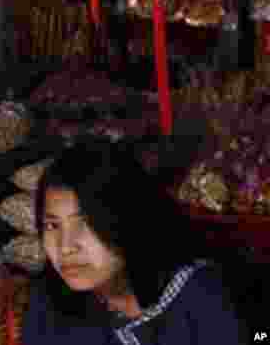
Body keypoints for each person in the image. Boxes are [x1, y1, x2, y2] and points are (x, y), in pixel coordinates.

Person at [21, 140, 247, 345]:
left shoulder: (202, 298)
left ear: (129, 220)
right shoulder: (48, 304)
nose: (66, 247)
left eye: (86, 223)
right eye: (52, 226)